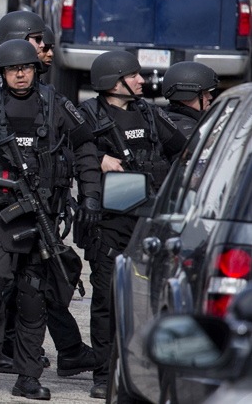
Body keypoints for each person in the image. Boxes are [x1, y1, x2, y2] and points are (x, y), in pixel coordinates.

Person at [0, 39, 102, 400]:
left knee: (33, 298)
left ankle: (27, 376)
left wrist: (90, 194)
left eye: (26, 68)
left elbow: (86, 146)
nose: (21, 74)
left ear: (36, 69)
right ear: (3, 71)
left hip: (41, 218)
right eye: (13, 69)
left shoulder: (54, 102)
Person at [76, 50, 187, 398]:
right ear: (114, 81)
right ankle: (103, 371)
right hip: (109, 223)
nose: (143, 80)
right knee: (107, 298)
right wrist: (97, 158)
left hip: (148, 222)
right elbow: (60, 151)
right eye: (135, 75)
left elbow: (184, 150)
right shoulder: (87, 115)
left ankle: (142, 368)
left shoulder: (150, 114)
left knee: (152, 298)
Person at [162, 61, 218, 138]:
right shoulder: (185, 132)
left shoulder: (166, 120)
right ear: (185, 96)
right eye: (205, 93)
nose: (210, 97)